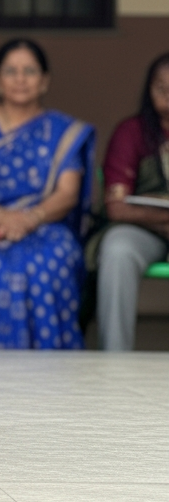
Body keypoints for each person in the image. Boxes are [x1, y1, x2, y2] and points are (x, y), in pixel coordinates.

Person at [0, 39, 95, 350]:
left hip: (45, 225)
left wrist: (28, 220)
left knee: (50, 262)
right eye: (11, 71)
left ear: (44, 81)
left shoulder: (63, 130)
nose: (20, 78)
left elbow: (68, 193)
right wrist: (3, 217)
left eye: (29, 71)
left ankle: (53, 373)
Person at [90, 52, 169, 350]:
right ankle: (115, 358)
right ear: (148, 91)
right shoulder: (132, 132)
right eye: (161, 88)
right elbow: (117, 207)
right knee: (118, 248)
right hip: (144, 229)